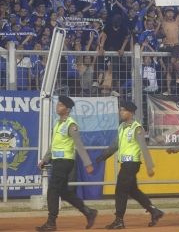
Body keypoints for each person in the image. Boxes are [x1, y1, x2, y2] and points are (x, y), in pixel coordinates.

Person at [96, 100, 164, 229]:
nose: (121, 112)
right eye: (120, 110)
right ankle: (154, 211)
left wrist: (149, 166)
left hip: (131, 164)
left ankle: (119, 220)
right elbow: (116, 145)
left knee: (120, 190)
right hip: (126, 164)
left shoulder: (137, 128)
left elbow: (143, 147)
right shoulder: (122, 127)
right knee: (134, 191)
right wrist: (103, 156)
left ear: (131, 113)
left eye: (123, 110)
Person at [36, 95, 98, 232]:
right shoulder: (58, 123)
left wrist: (87, 163)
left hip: (65, 161)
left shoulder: (71, 124)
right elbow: (54, 145)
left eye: (61, 105)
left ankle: (51, 222)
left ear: (68, 109)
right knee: (63, 192)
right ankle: (88, 212)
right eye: (58, 104)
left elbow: (79, 144)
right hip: (58, 161)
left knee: (52, 190)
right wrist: (45, 159)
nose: (58, 107)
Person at [156, 5, 179, 94]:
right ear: (165, 14)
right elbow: (158, 11)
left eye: (171, 12)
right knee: (167, 67)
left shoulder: (176, 21)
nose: (170, 14)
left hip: (176, 45)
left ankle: (178, 75)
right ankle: (167, 89)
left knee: (173, 60)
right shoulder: (163, 22)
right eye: (168, 12)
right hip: (167, 46)